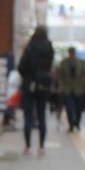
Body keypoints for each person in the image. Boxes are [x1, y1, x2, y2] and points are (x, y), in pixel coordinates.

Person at [17, 25, 54, 156]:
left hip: (29, 85)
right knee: (42, 115)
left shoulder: (30, 48)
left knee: (28, 116)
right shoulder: (49, 48)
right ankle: (41, 147)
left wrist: (28, 76)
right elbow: (50, 67)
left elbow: (21, 67)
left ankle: (28, 147)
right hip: (44, 85)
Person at [55, 46, 85, 132]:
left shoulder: (81, 63)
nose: (71, 55)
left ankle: (77, 123)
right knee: (69, 108)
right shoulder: (64, 63)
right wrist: (61, 86)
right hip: (68, 89)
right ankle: (71, 124)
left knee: (78, 108)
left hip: (79, 90)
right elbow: (60, 76)